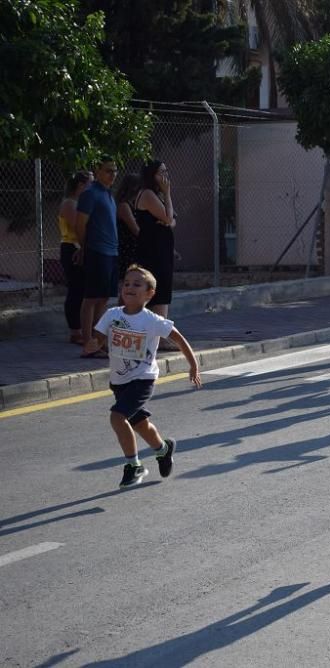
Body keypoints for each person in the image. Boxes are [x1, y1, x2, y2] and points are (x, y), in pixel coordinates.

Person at [83, 265, 201, 487]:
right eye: (126, 283)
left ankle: (134, 466)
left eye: (137, 284)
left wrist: (193, 365)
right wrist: (92, 344)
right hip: (119, 381)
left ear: (149, 293)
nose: (129, 287)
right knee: (139, 424)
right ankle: (163, 449)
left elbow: (179, 339)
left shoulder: (152, 320)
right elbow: (98, 338)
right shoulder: (112, 315)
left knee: (117, 417)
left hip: (143, 378)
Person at [75, 156, 120, 358]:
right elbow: (80, 225)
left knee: (103, 298)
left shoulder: (108, 194)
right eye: (109, 170)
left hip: (112, 252)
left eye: (115, 171)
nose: (113, 174)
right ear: (98, 170)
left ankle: (98, 341)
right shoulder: (90, 194)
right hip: (97, 251)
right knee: (91, 297)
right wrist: (84, 247)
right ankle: (87, 343)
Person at [133, 160, 176, 323]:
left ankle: (158, 332)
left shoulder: (156, 195)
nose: (165, 176)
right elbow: (168, 217)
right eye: (161, 173)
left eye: (166, 171)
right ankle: (159, 333)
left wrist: (168, 219)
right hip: (153, 252)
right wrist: (167, 193)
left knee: (163, 289)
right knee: (159, 291)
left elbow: (172, 219)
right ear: (151, 175)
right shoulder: (148, 194)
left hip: (162, 250)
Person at [58, 171, 92, 345]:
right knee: (76, 289)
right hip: (72, 247)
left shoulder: (81, 203)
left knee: (86, 289)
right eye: (90, 184)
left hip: (83, 247)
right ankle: (75, 331)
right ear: (80, 185)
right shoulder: (70, 204)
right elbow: (79, 228)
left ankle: (86, 328)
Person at [115, 174, 142, 281]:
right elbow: (135, 229)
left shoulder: (134, 203)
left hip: (135, 246)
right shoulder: (124, 205)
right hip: (127, 247)